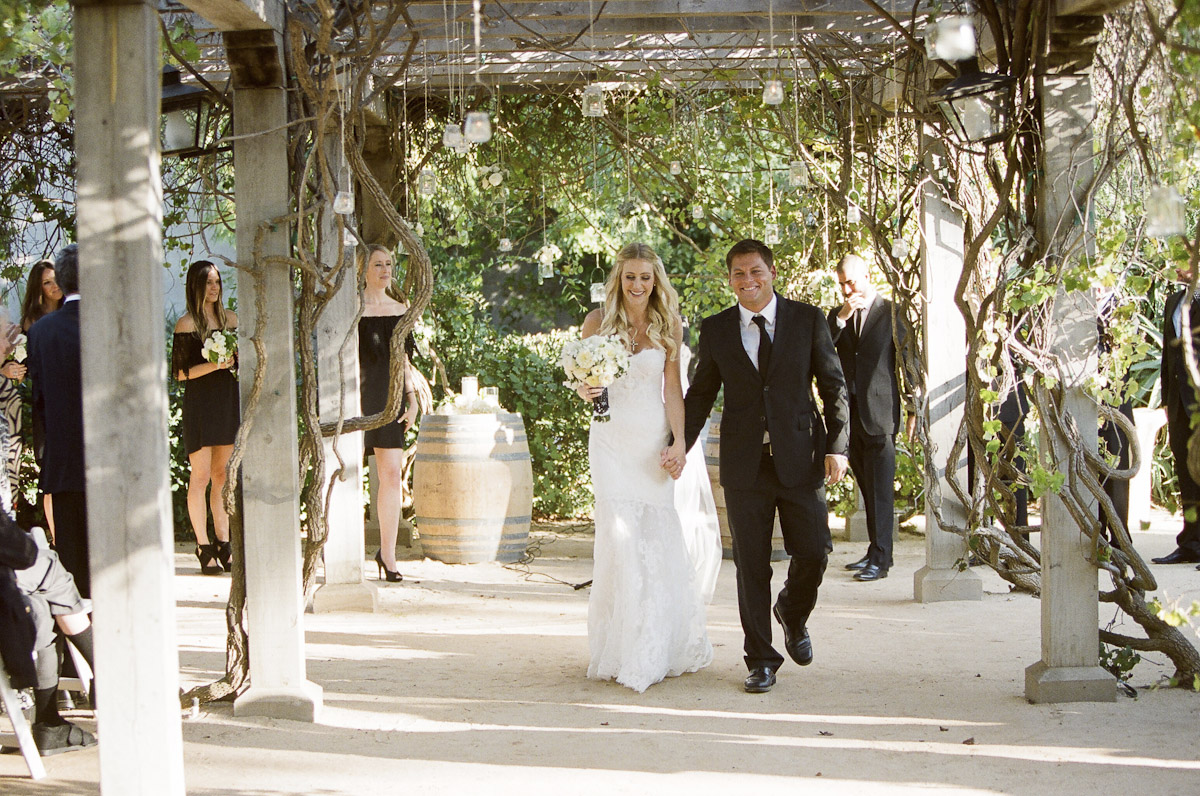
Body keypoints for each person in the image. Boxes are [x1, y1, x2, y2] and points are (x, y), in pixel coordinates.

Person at [680, 238, 849, 694]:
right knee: (752, 565)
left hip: (801, 459)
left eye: (755, 271)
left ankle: (792, 612)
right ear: (730, 280)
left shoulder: (807, 319)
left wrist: (838, 447)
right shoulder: (716, 329)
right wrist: (678, 445)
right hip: (744, 465)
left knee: (814, 551)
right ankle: (761, 660)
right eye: (738, 273)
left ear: (772, 273)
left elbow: (833, 386)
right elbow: (698, 396)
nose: (748, 281)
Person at [575, 242, 714, 692]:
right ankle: (621, 648)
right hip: (611, 442)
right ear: (618, 279)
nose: (637, 285)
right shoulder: (597, 323)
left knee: (652, 536)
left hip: (651, 440)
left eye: (645, 278)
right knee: (618, 536)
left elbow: (673, 391)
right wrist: (587, 390)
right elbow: (583, 383)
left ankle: (655, 644)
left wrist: (679, 441)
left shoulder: (668, 324)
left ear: (656, 282)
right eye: (630, 277)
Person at [828, 254, 907, 582]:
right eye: (842, 283)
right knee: (866, 487)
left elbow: (908, 361)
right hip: (849, 416)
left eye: (852, 281)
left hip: (881, 414)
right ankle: (874, 551)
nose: (847, 289)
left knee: (881, 490)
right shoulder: (836, 316)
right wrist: (843, 318)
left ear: (866, 276)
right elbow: (821, 350)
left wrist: (914, 409)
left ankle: (882, 559)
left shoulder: (891, 313)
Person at [27, 244, 89, 597]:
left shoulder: (41, 332)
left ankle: (78, 637)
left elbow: (40, 400)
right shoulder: (115, 321)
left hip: (64, 459)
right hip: (113, 459)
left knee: (72, 561)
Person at [358, 244, 421, 583]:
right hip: (358, 401)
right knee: (349, 476)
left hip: (392, 397)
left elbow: (405, 362)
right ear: (364, 269)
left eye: (388, 264)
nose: (385, 269)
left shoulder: (401, 308)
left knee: (392, 474)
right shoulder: (352, 309)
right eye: (377, 264)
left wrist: (411, 400)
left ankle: (388, 553)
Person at [172, 260, 239, 575]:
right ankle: (203, 544)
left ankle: (224, 540)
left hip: (226, 401)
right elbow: (180, 374)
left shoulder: (231, 320)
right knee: (199, 476)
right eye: (208, 282)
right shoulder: (187, 324)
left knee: (222, 476)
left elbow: (243, 363)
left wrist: (234, 362)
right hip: (200, 404)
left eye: (217, 282)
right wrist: (215, 364)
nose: (214, 288)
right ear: (196, 286)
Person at [1155, 265, 1200, 567]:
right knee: (1186, 473)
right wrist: (1167, 398)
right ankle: (1191, 542)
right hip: (1179, 403)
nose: (1178, 267)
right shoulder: (1172, 301)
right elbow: (1166, 355)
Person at [19, 259, 63, 539]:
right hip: (46, 401)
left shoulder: (75, 311)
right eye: (47, 282)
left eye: (56, 279)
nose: (54, 285)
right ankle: (57, 537)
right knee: (49, 469)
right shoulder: (31, 321)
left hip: (74, 399)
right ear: (39, 287)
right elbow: (27, 366)